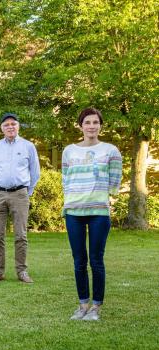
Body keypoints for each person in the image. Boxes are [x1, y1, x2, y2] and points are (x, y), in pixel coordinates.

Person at [62, 108, 122, 321]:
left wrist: (107, 200)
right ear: (80, 126)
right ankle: (82, 305)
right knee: (79, 260)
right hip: (74, 212)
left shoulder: (111, 150)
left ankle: (96, 308)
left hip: (98, 212)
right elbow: (66, 180)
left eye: (95, 122)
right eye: (87, 122)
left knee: (96, 260)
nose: (91, 126)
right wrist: (67, 204)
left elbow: (115, 180)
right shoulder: (69, 151)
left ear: (100, 125)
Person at [0, 113, 40, 283]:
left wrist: (27, 192)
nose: (10, 127)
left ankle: (22, 271)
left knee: (21, 235)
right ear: (2, 128)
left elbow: (35, 172)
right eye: (6, 125)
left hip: (20, 194)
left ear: (18, 126)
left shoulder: (28, 146)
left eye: (13, 124)